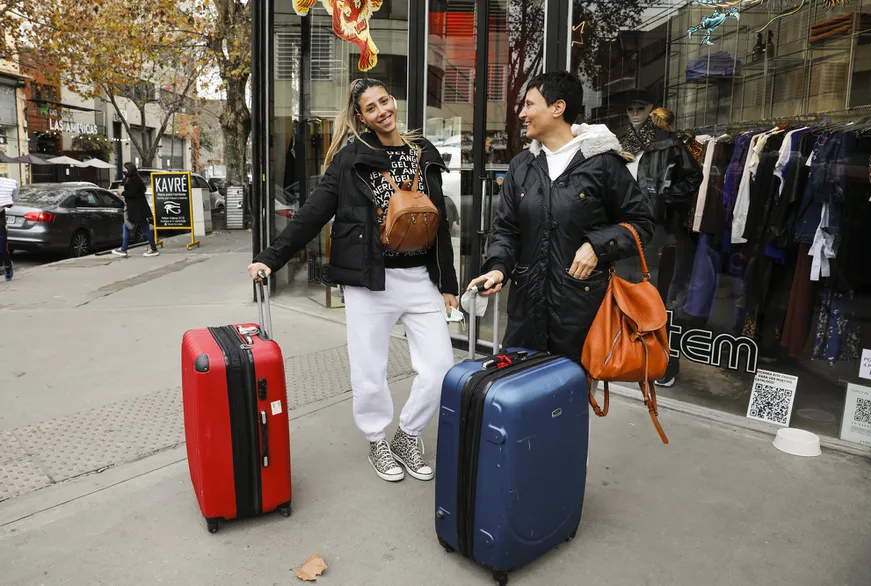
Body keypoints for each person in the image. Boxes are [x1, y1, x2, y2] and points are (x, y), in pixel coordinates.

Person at [247, 78, 459, 483]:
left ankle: (408, 435)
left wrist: (447, 285)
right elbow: (311, 215)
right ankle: (377, 439)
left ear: (394, 101)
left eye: (385, 101)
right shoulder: (350, 160)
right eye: (371, 107)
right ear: (361, 117)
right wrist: (270, 259)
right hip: (368, 280)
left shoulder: (423, 153)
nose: (382, 111)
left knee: (440, 369)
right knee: (368, 370)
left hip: (420, 279)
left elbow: (439, 225)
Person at [467, 71, 654, 362]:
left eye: (529, 104)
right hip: (525, 312)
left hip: (580, 312)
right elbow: (506, 229)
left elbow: (641, 223)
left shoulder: (602, 162)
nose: (522, 113)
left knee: (568, 397)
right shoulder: (521, 166)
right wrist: (498, 268)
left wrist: (596, 246)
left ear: (558, 108)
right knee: (519, 397)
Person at [619, 92, 702, 387]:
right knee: (624, 293)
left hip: (656, 229)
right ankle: (629, 356)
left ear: (651, 109)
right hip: (625, 227)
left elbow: (694, 177)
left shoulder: (669, 144)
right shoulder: (621, 143)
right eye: (630, 108)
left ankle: (663, 363)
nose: (634, 113)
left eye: (640, 107)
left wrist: (665, 198)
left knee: (656, 297)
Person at [111, 162, 159, 258]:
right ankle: (152, 248)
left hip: (136, 210)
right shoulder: (135, 179)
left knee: (129, 227)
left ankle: (125, 249)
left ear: (130, 169)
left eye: (125, 169)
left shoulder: (133, 180)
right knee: (138, 227)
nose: (124, 171)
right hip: (138, 209)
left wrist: (121, 192)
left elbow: (131, 194)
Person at [0, 176, 18, 281]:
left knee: (2, 249)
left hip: (1, 226)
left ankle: (8, 266)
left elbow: (10, 203)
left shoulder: (3, 188)